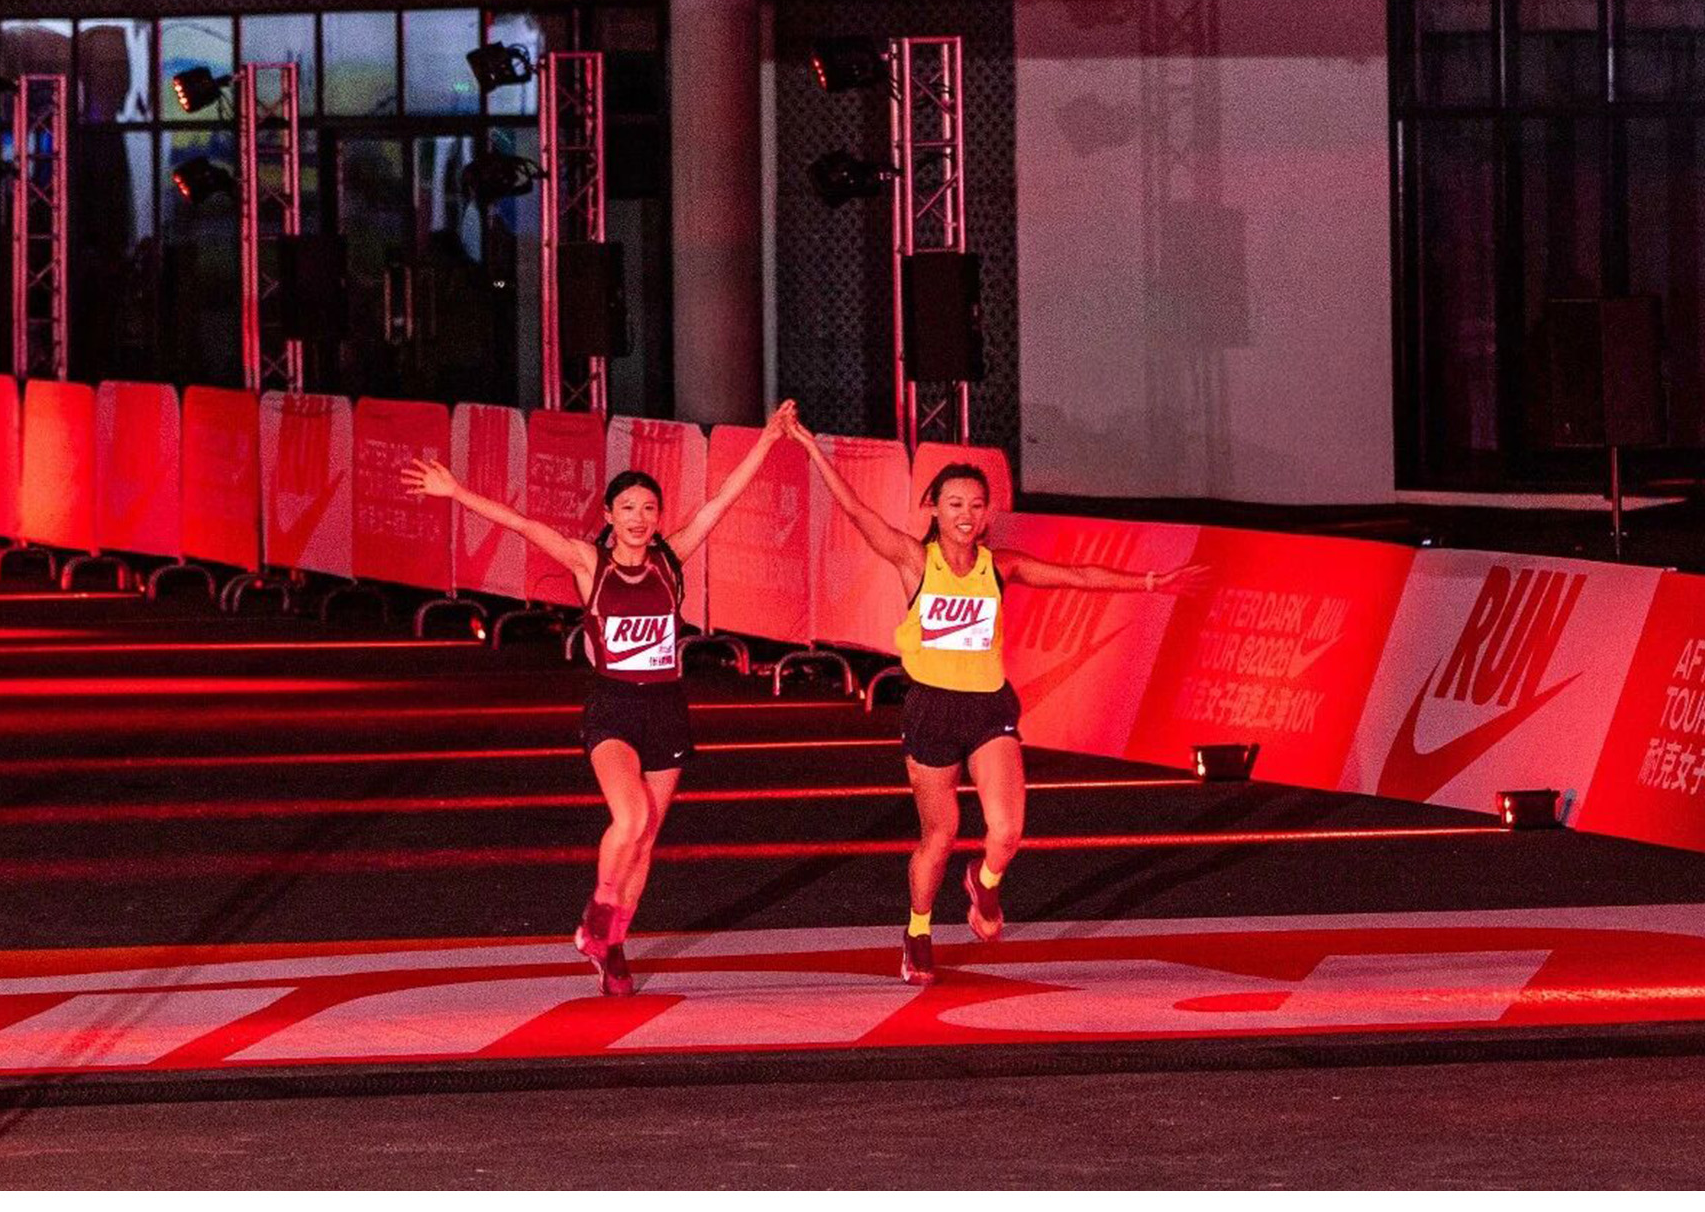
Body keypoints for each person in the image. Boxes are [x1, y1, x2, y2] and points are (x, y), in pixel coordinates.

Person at [785, 414, 1210, 984]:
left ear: (988, 513)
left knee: (1006, 832)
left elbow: (1077, 576)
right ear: (934, 510)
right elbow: (858, 513)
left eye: (976, 504)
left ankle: (983, 883)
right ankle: (917, 931)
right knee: (939, 835)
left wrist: (1153, 583)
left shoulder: (999, 566)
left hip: (988, 709)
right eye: (954, 504)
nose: (966, 514)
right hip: (932, 710)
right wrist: (812, 448)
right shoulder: (917, 561)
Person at [403, 401, 797, 995]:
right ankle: (599, 912)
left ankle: (612, 946)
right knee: (630, 817)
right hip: (614, 707)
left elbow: (722, 501)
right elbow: (523, 525)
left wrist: (766, 440)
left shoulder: (670, 560)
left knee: (646, 840)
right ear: (609, 517)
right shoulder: (591, 563)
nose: (639, 518)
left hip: (667, 710)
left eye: (649, 508)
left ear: (659, 517)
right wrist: (456, 492)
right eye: (628, 508)